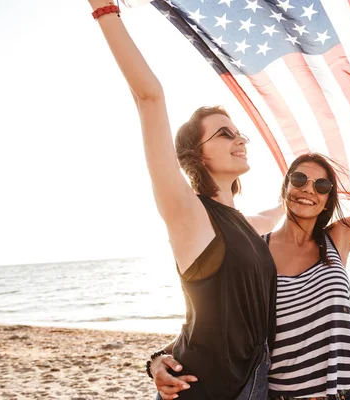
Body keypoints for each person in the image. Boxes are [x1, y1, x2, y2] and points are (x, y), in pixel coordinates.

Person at [86, 1, 284, 399]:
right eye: (224, 134)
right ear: (197, 155)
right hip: (210, 390)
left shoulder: (247, 225)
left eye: (239, 133)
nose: (240, 139)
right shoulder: (188, 213)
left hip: (256, 383)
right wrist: (104, 9)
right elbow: (149, 98)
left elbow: (207, 314)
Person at [153, 153, 350, 399]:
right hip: (286, 395)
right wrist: (157, 358)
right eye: (299, 179)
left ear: (327, 201)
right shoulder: (254, 252)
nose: (308, 190)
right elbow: (215, 319)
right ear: (285, 187)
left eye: (321, 185)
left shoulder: (337, 239)